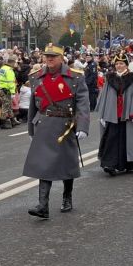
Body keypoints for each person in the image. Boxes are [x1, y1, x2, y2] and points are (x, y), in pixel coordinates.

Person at [23, 43, 90, 218]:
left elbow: (83, 103)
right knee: (44, 164)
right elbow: (33, 105)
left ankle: (67, 197)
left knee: (66, 164)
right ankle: (42, 206)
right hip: (44, 124)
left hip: (65, 125)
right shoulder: (36, 76)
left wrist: (82, 126)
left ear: (61, 58)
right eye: (47, 56)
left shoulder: (75, 77)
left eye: (53, 56)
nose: (49, 59)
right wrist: (30, 129)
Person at [96, 52, 133, 175]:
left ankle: (127, 163)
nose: (119, 66)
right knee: (111, 139)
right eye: (117, 64)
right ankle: (110, 164)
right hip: (113, 115)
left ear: (126, 65)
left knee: (127, 140)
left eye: (121, 63)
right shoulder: (110, 78)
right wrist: (103, 114)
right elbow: (104, 97)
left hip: (128, 115)